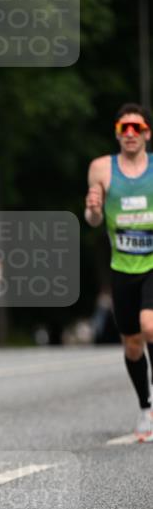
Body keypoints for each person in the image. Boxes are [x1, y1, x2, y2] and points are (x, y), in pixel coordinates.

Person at [85, 103, 153, 442]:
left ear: (147, 134)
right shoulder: (101, 169)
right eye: (124, 128)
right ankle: (146, 407)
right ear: (117, 133)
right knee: (132, 344)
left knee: (149, 325)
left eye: (136, 128)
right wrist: (93, 209)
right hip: (123, 267)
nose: (130, 134)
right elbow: (93, 221)